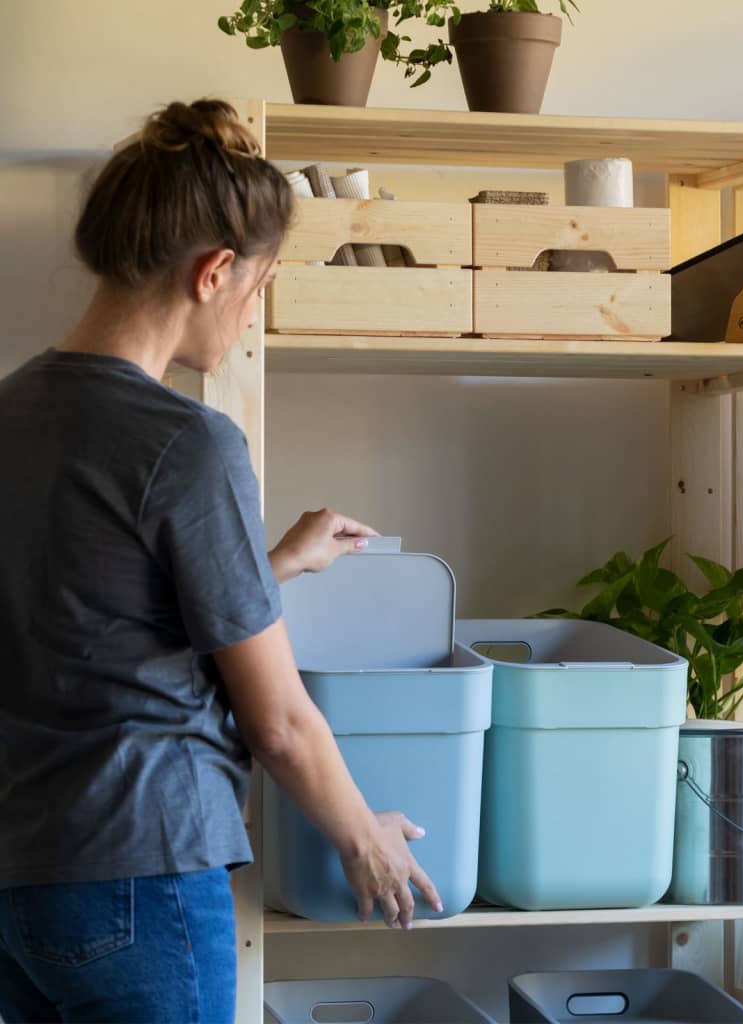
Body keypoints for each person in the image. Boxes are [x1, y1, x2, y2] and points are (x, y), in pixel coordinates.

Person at [0, 98, 439, 1024]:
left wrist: (269, 564)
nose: (249, 318)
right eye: (257, 292)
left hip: (21, 882)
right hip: (143, 873)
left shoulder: (12, 413)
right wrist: (364, 838)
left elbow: (87, 614)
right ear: (215, 273)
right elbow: (278, 721)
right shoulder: (188, 442)